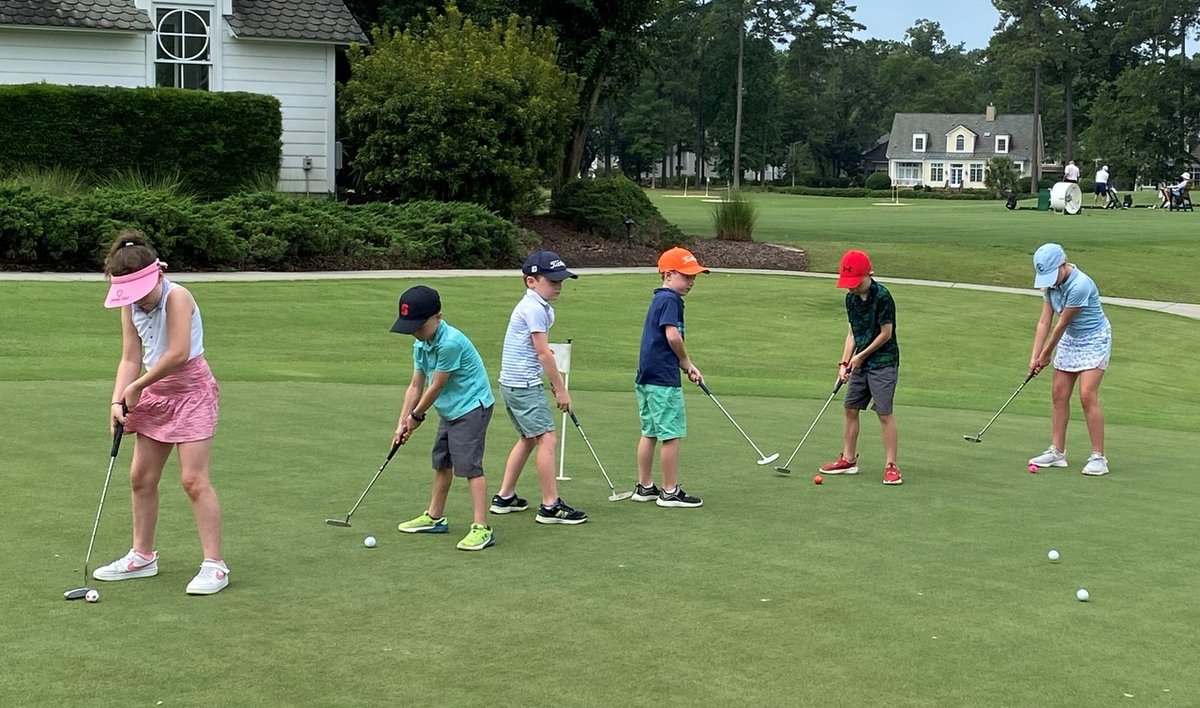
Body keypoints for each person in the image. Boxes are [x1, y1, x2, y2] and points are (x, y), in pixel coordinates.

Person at [94, 231, 229, 595]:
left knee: (192, 479)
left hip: (191, 391)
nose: (135, 300)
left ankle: (215, 565)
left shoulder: (178, 296)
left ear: (156, 274)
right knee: (140, 476)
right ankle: (142, 556)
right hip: (155, 390)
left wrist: (136, 387)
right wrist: (116, 399)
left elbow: (179, 353)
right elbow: (130, 357)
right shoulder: (130, 305)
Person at [393, 285, 497, 551]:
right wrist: (402, 422)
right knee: (442, 462)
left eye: (419, 325)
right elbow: (416, 385)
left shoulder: (450, 342)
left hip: (472, 406)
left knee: (470, 466)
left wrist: (416, 417)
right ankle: (435, 517)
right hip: (450, 409)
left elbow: (436, 385)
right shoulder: (421, 342)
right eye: (411, 326)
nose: (415, 331)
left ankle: (482, 528)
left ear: (437, 316)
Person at [490, 251, 587, 525]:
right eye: (552, 280)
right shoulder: (533, 308)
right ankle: (550, 505)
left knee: (529, 437)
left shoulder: (536, 305)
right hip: (523, 385)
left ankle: (505, 497)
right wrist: (560, 389)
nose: (558, 285)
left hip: (512, 383)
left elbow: (540, 353)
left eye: (561, 280)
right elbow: (543, 353)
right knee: (547, 438)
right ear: (531, 281)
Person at [632, 247, 709, 508]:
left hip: (646, 375)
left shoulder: (659, 299)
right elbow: (672, 335)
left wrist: (686, 365)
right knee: (671, 434)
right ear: (668, 274)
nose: (691, 282)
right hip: (663, 377)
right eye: (686, 276)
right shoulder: (670, 300)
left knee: (650, 432)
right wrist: (686, 362)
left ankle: (644, 486)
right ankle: (669, 491)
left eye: (693, 277)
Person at [819, 250, 903, 486]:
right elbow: (852, 333)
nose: (852, 288)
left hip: (884, 361)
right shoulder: (851, 298)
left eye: (856, 283)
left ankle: (891, 465)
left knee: (884, 413)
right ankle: (848, 459)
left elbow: (886, 334)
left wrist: (861, 356)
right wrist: (845, 362)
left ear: (869, 275)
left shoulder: (883, 296)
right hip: (860, 362)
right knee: (850, 408)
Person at [1027, 244, 1112, 476]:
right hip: (1070, 339)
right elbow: (1045, 321)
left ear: (1064, 264)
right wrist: (1034, 356)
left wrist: (1045, 356)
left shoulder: (1081, 284)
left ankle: (1098, 457)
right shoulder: (1050, 286)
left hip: (1094, 338)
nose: (1050, 280)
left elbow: (1061, 324)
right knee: (1059, 393)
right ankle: (1057, 452)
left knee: (1087, 395)